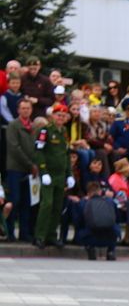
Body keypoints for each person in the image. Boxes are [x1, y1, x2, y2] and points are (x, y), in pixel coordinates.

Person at [33, 103, 72, 249]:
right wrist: (43, 171)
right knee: (47, 204)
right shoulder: (45, 131)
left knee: (57, 206)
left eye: (63, 116)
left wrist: (69, 174)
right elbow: (39, 151)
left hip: (60, 175)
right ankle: (39, 236)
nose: (60, 118)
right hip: (48, 174)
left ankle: (51, 235)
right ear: (52, 116)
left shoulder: (64, 132)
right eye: (58, 115)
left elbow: (66, 154)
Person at [5, 98, 36, 241]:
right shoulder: (13, 125)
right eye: (23, 108)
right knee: (14, 200)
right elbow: (14, 148)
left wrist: (35, 164)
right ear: (18, 110)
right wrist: (30, 164)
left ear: (31, 110)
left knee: (27, 202)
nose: (26, 111)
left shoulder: (33, 126)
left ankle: (24, 233)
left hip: (30, 170)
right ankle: (10, 232)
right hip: (15, 168)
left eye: (28, 108)